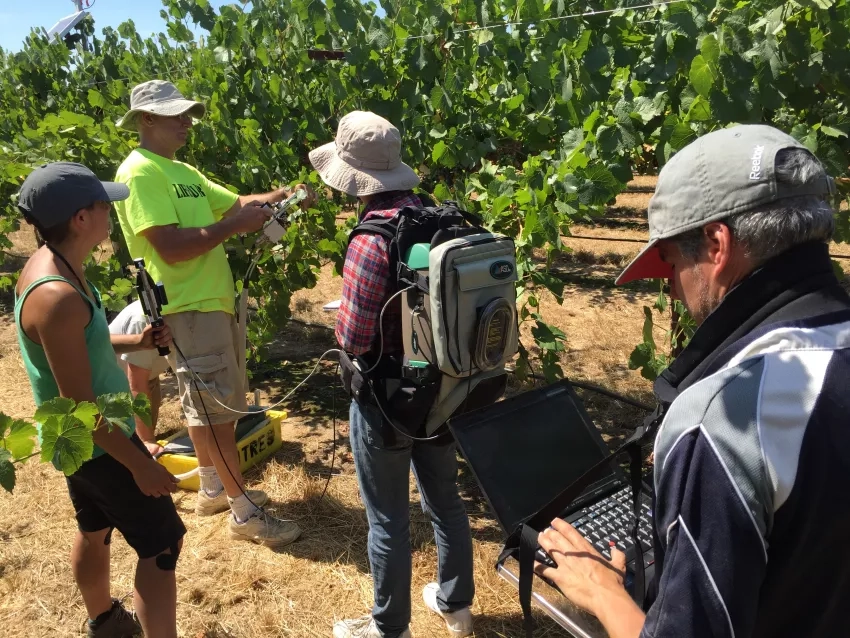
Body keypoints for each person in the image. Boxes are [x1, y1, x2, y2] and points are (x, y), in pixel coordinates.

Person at [535, 124, 850, 637]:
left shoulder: (723, 420)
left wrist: (602, 591)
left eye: (674, 264)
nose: (673, 293)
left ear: (716, 243)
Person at [113, 80, 314, 546]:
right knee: (219, 412)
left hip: (208, 303)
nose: (187, 122)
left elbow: (239, 204)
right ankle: (245, 516)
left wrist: (286, 193)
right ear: (146, 119)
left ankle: (211, 490)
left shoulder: (179, 170)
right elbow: (169, 245)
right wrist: (230, 227)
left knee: (203, 409)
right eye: (175, 115)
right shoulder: (141, 172)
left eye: (188, 113)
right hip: (188, 305)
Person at [309, 111, 475, 638]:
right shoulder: (442, 220)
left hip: (386, 400)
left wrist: (343, 321)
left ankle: (389, 628)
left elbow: (356, 338)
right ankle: (457, 606)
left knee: (387, 520)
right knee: (445, 499)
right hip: (447, 388)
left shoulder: (370, 239)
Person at [15, 162, 186, 638]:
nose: (110, 211)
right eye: (102, 204)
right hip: (99, 442)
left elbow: (78, 349)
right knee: (162, 546)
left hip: (82, 441)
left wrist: (137, 342)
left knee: (95, 528)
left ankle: (105, 622)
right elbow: (80, 407)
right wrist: (139, 463)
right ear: (80, 219)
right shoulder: (57, 295)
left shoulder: (53, 267)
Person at [109, 300, 171, 456]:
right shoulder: (143, 319)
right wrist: (147, 442)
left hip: (148, 377)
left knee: (147, 431)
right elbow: (136, 385)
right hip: (112, 384)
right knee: (126, 449)